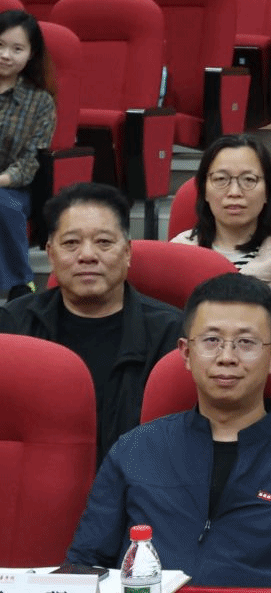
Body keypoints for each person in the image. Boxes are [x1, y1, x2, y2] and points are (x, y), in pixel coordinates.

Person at [65, 274, 271, 587]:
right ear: (186, 353)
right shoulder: (133, 451)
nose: (227, 358)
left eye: (246, 343)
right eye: (211, 341)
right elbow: (84, 568)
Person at [0, 182, 182, 462]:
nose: (87, 256)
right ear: (50, 254)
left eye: (104, 242)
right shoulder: (13, 326)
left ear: (128, 252)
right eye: (71, 243)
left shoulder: (171, 334)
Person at [170, 134, 271, 295]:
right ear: (204, 191)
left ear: (268, 191)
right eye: (221, 179)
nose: (234, 192)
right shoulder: (179, 251)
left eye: (249, 180)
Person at [0, 9, 55, 297]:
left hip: (15, 187)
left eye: (16, 49)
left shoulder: (40, 102)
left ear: (31, 55)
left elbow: (30, 162)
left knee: (2, 203)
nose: (5, 55)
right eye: (0, 45)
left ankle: (21, 285)